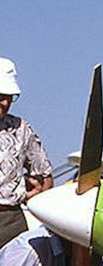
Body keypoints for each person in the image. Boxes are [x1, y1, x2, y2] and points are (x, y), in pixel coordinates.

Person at [0, 58, 54, 248]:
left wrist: (39, 194)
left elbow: (44, 175)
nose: (5, 102)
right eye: (0, 96)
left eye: (9, 96)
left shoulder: (22, 129)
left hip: (10, 221)